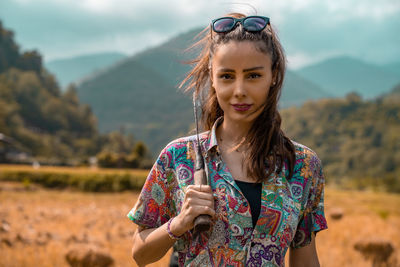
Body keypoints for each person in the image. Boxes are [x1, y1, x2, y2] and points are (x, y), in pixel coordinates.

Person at [127, 12, 328, 267]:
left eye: (253, 75)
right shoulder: (177, 157)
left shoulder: (304, 166)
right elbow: (139, 254)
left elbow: (305, 259)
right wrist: (179, 222)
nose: (240, 91)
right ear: (212, 77)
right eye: (227, 76)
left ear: (273, 75)